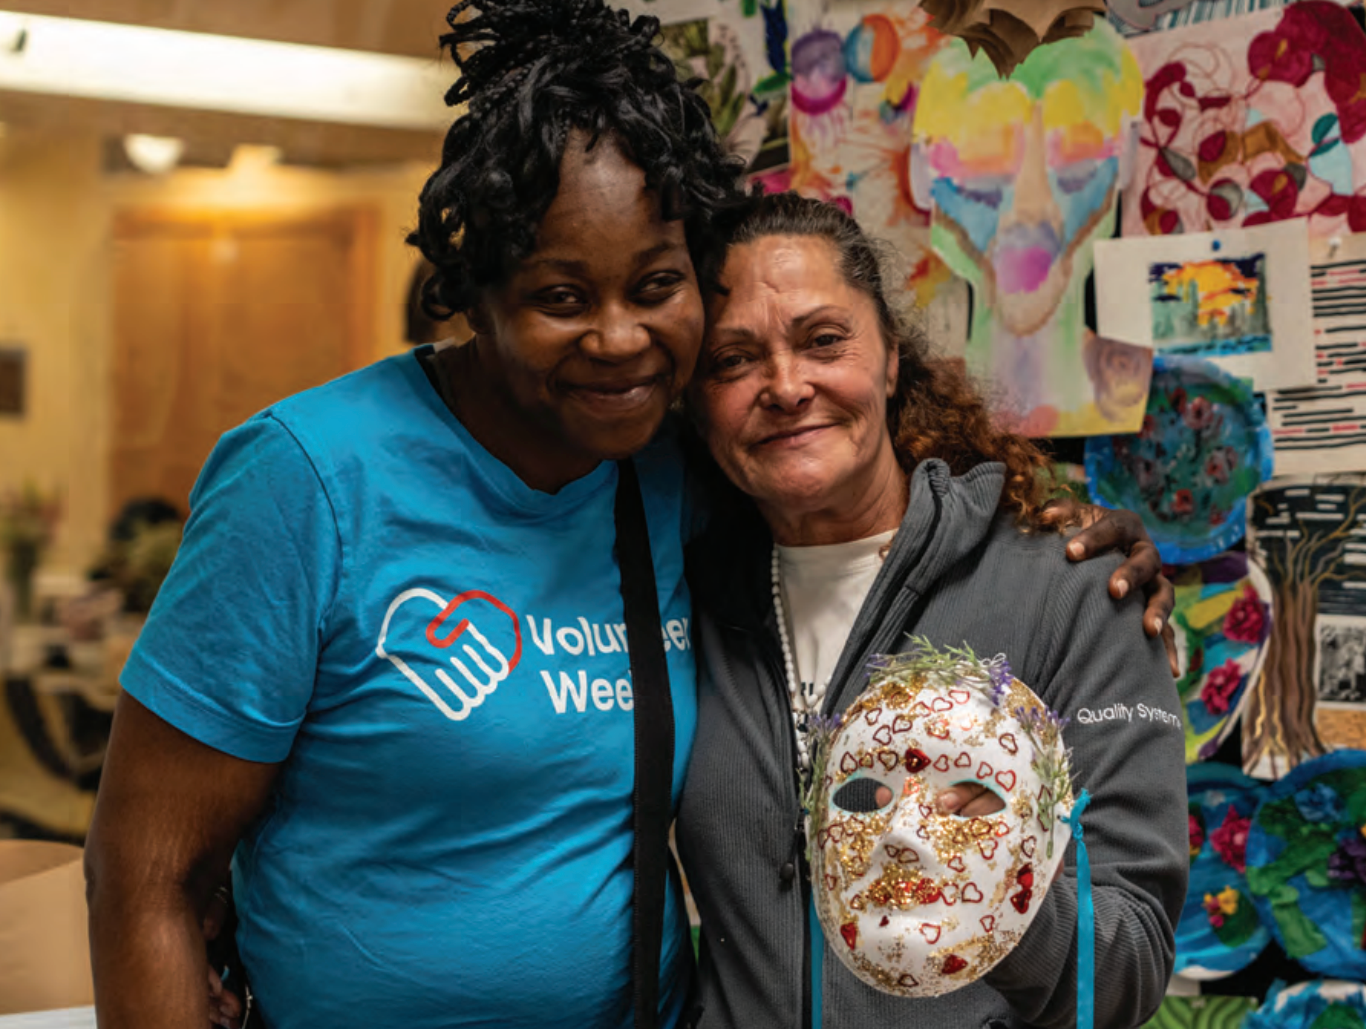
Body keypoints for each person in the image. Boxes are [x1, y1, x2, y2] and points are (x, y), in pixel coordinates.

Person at [86, 4, 1172, 1029]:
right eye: (563, 297)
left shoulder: (668, 477)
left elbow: (844, 472)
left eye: (654, 285)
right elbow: (146, 874)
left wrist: (1062, 542)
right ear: (479, 294)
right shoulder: (314, 478)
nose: (617, 339)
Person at [675, 192, 1188, 1029]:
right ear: (699, 403)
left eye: (823, 340)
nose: (785, 384)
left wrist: (987, 888)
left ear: (888, 359)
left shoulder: (1071, 592)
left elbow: (1128, 971)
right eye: (733, 360)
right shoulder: (689, 602)